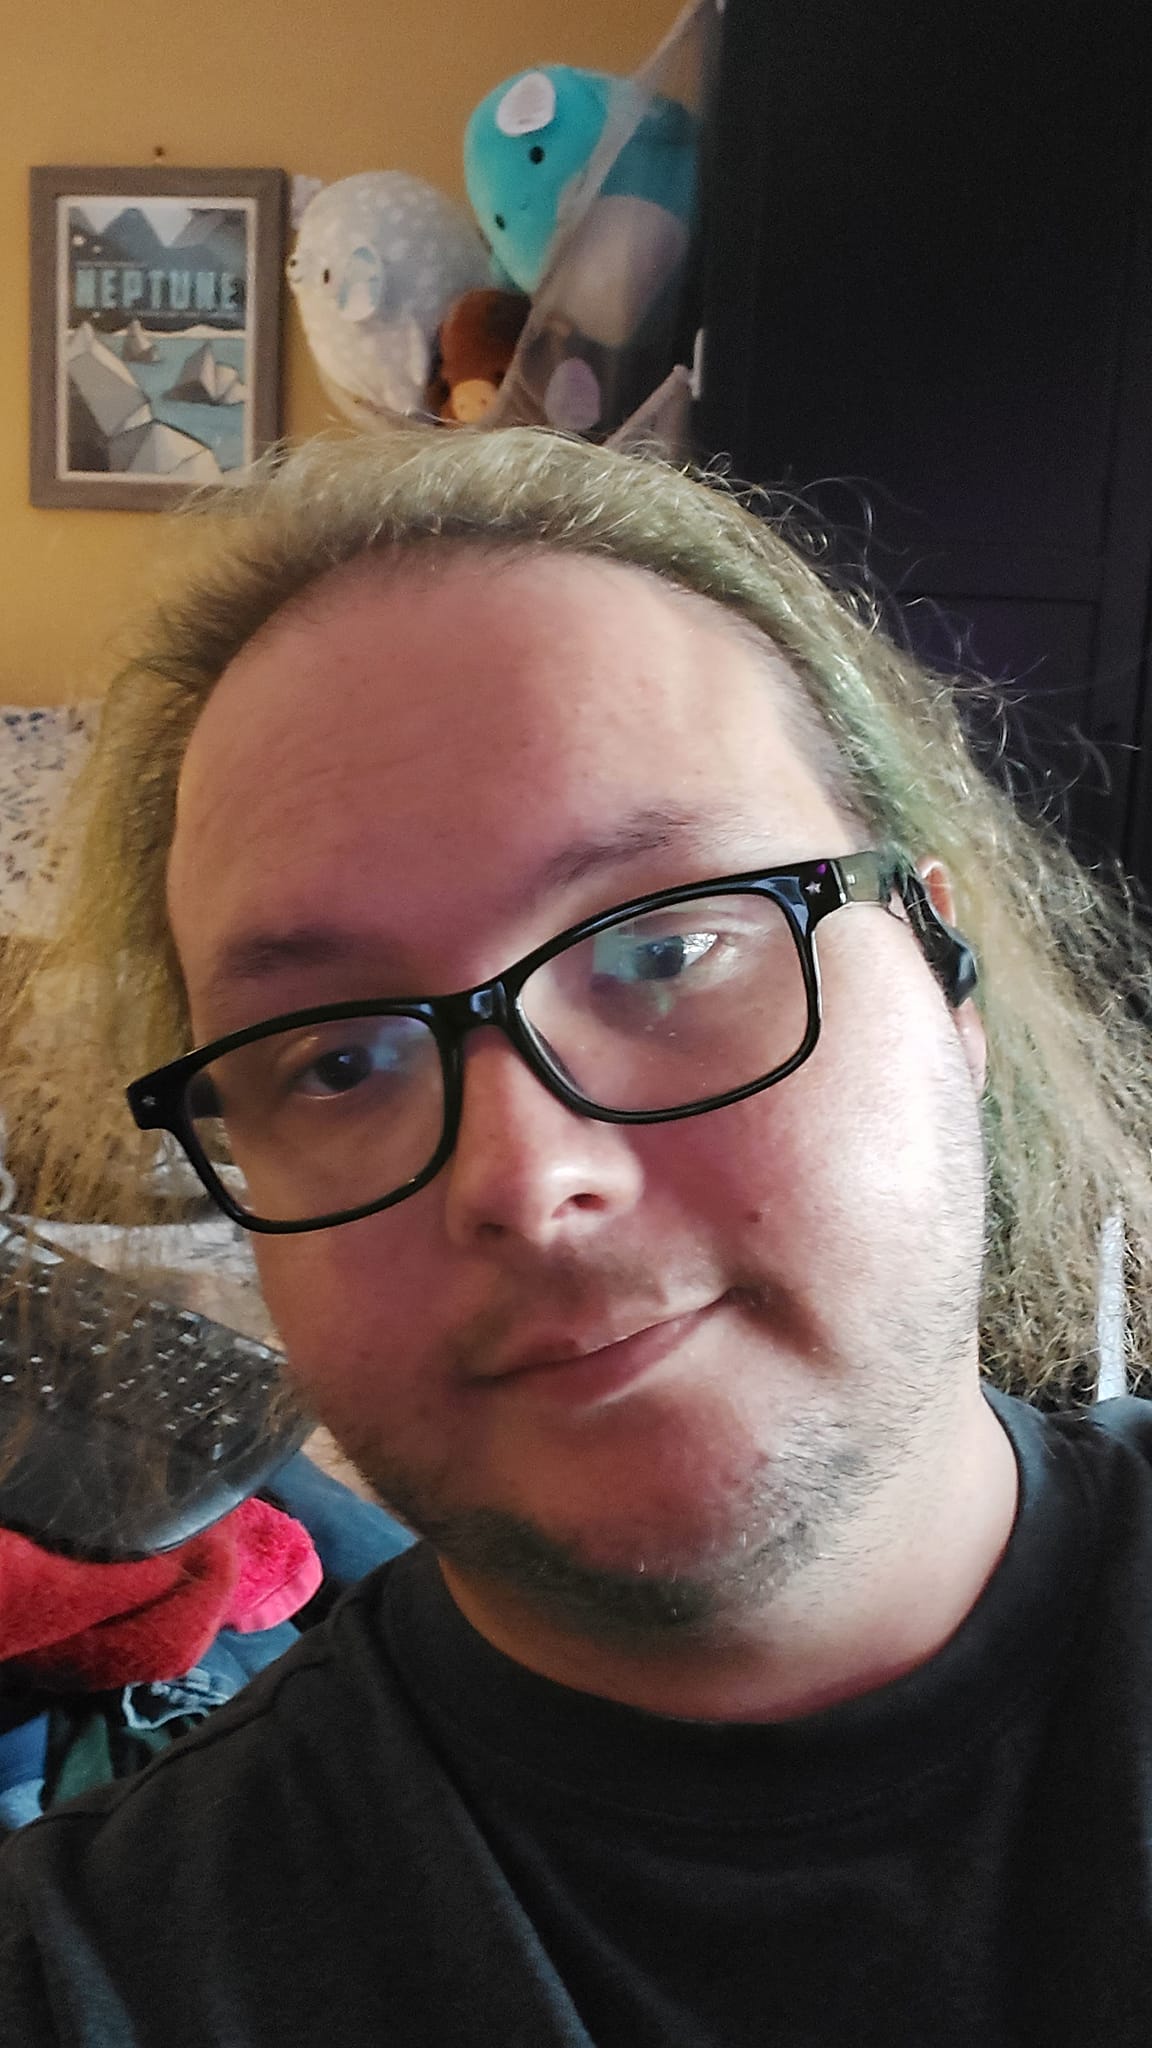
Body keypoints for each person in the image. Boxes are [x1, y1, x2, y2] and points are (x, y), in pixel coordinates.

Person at [1, 424, 1152, 2046]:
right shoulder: (93, 1976)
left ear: (941, 978)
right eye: (338, 1060)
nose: (530, 1181)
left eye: (668, 951)